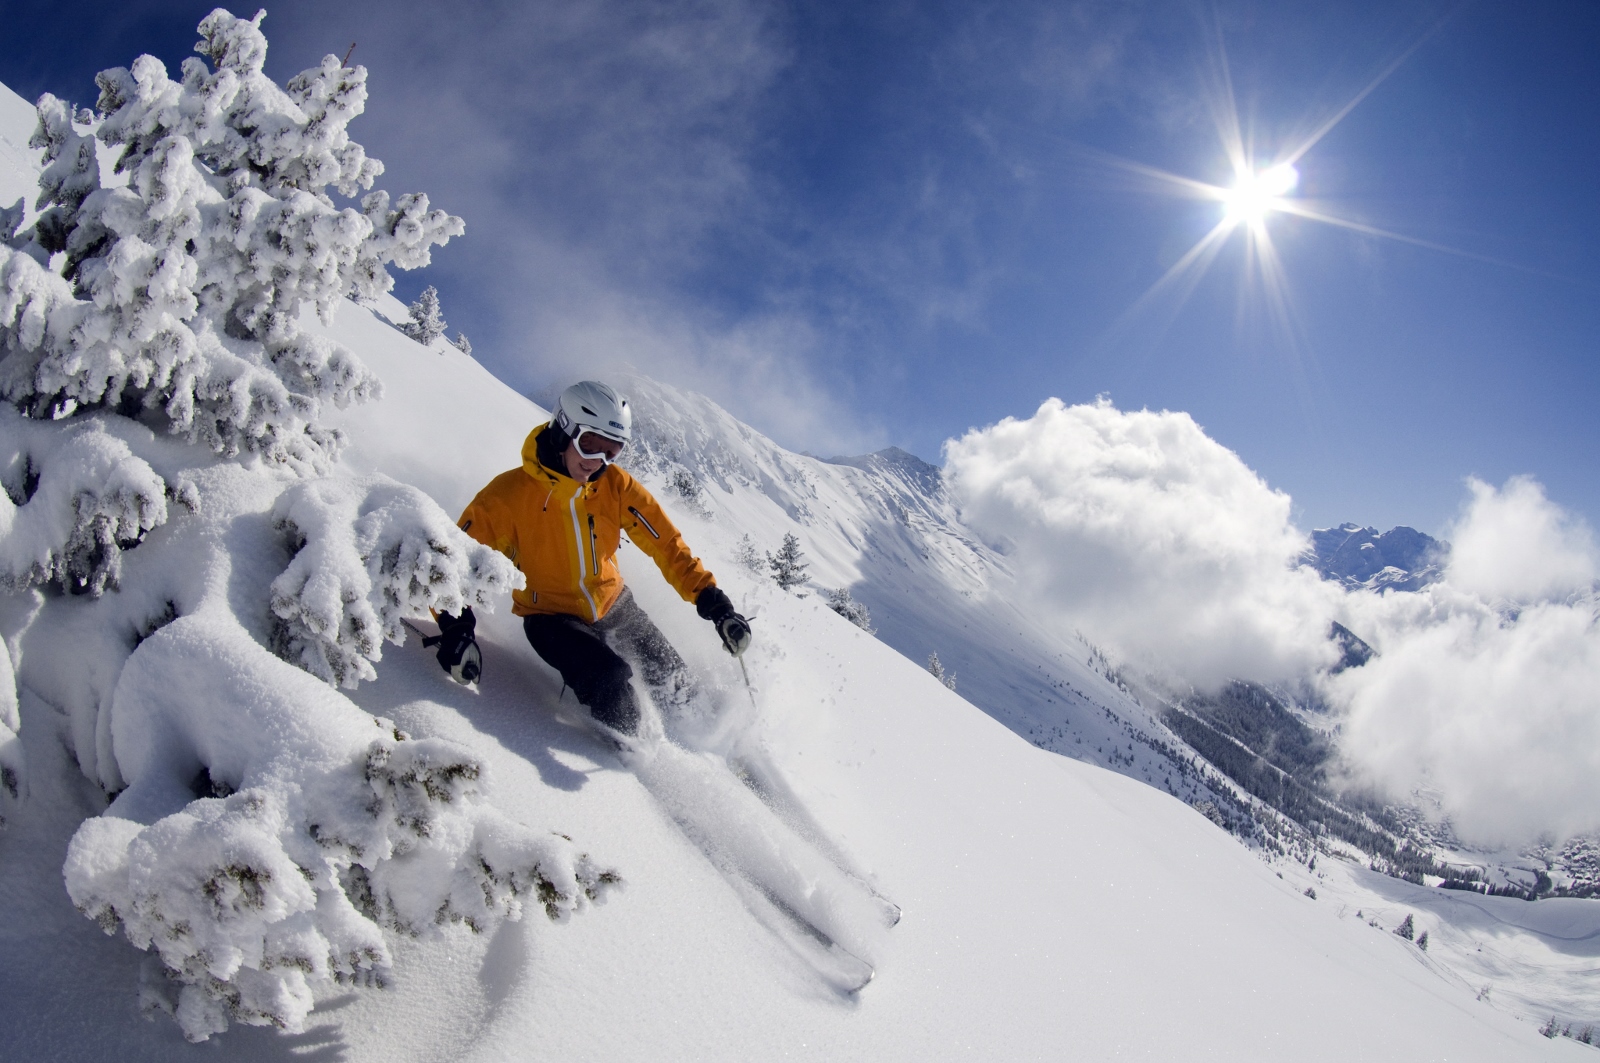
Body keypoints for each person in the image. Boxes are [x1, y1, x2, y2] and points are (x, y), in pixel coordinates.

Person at [426, 380, 752, 736]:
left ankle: (719, 749)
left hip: (616, 606)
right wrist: (456, 628)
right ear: (563, 429)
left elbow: (667, 545)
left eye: (612, 451)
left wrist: (714, 603)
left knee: (677, 684)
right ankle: (639, 760)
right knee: (610, 681)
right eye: (591, 445)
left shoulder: (616, 487)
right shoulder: (505, 497)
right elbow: (455, 564)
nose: (598, 462)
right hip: (551, 620)